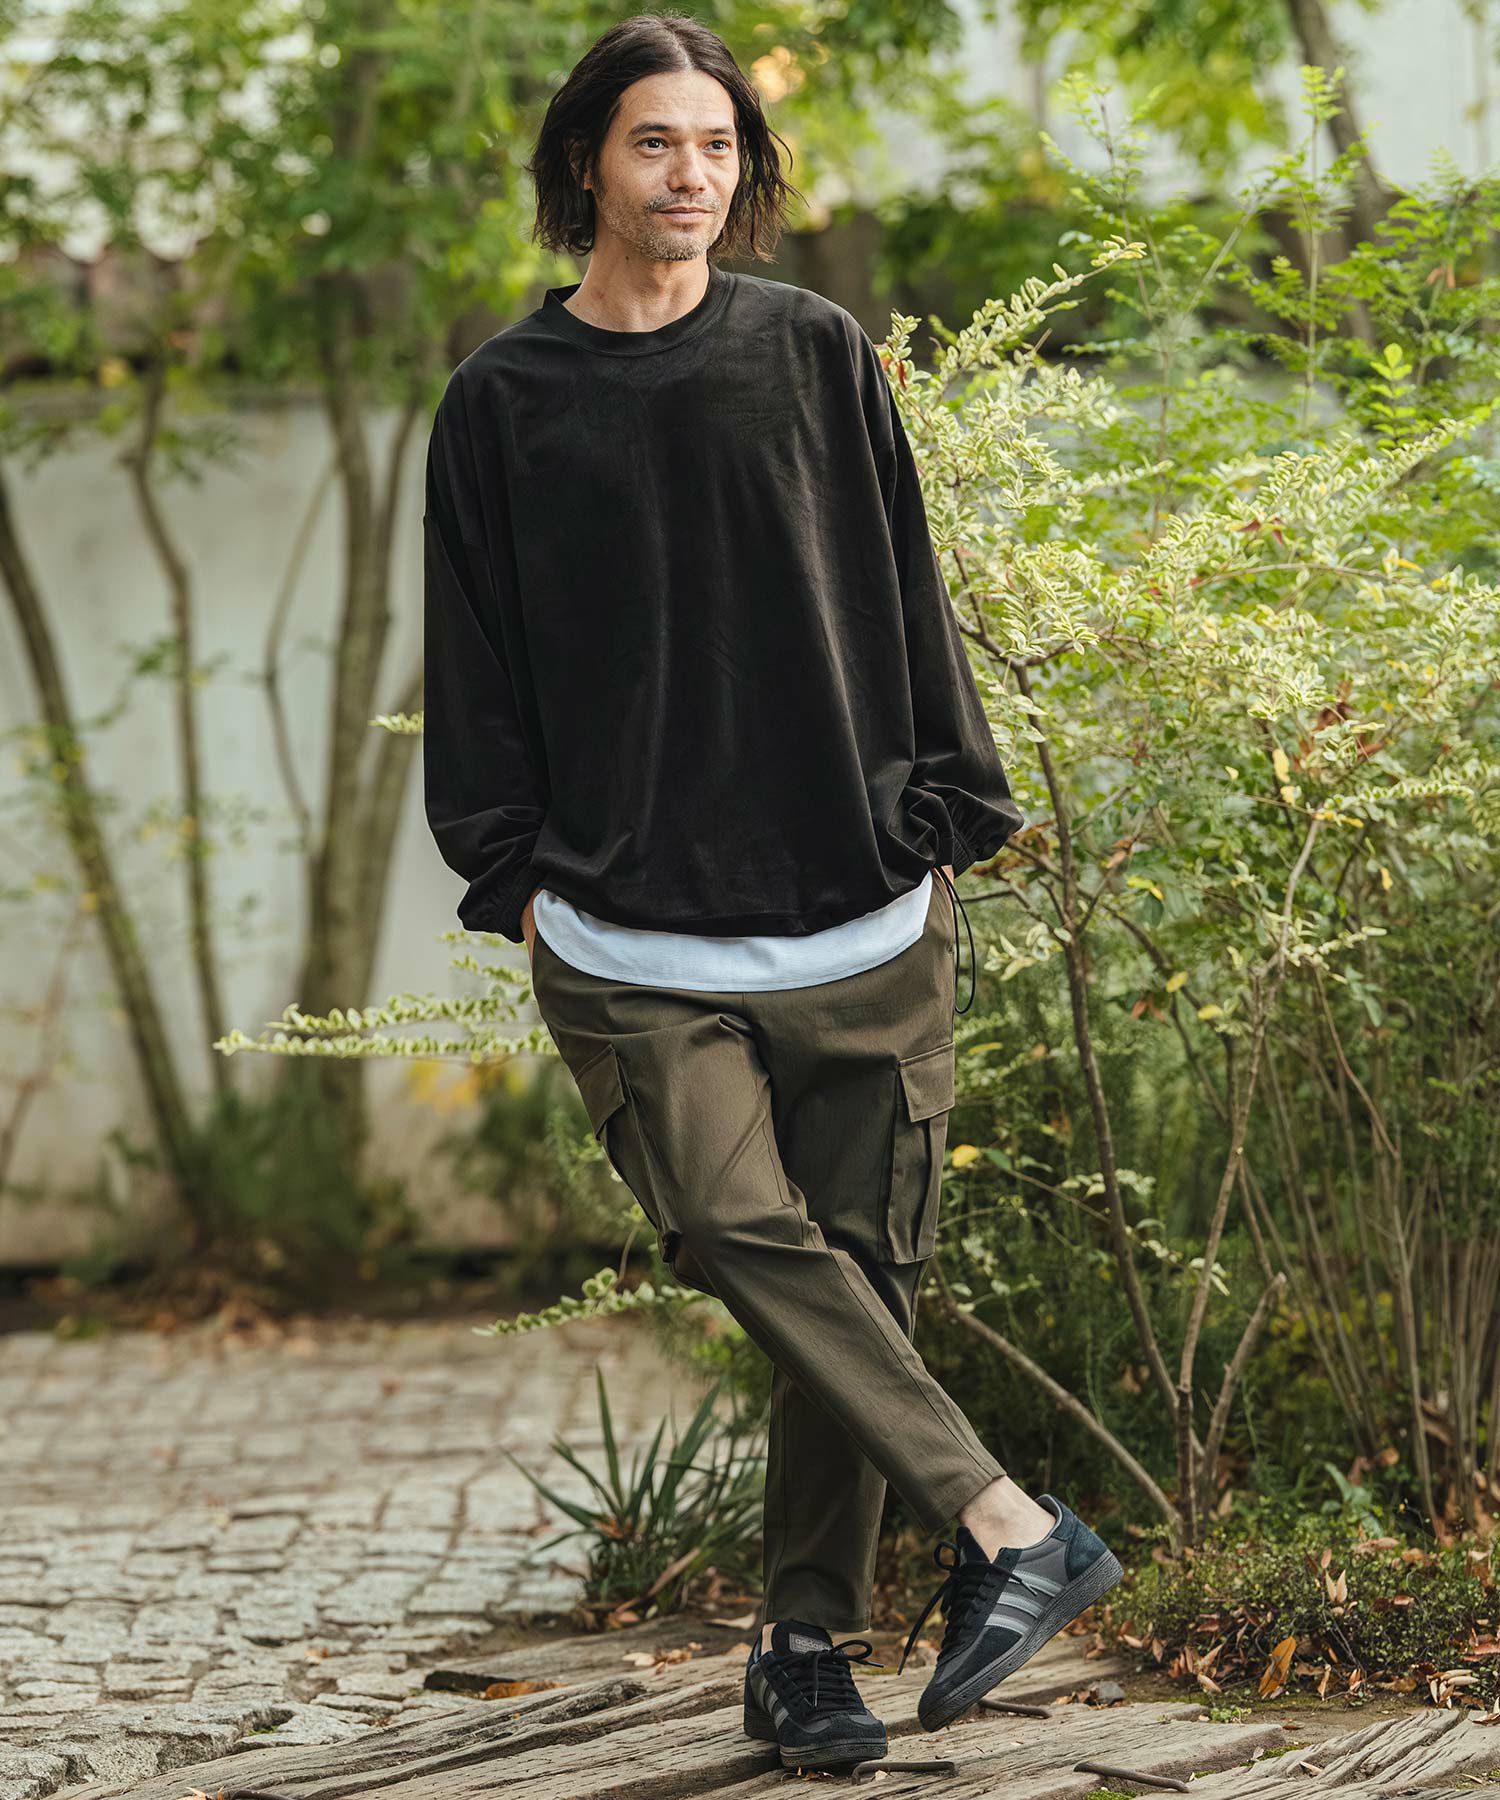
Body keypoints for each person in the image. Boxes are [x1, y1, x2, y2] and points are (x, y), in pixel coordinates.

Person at [422, 10, 1120, 1772]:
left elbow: (904, 581)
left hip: (859, 906)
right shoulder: (503, 401)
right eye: (655, 141)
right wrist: (508, 874)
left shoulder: (811, 350)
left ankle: (805, 1650)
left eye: (718, 144)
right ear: (587, 162)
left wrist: (948, 805)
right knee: (740, 1225)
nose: (691, 173)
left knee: (860, 1276)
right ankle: (1011, 1527)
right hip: (629, 930)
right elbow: (476, 658)